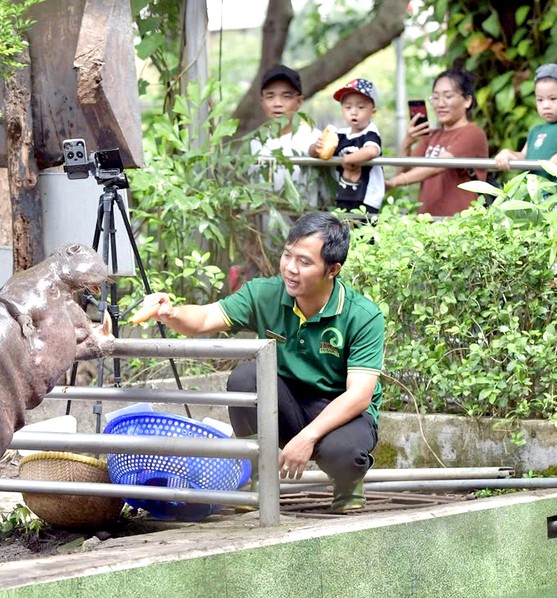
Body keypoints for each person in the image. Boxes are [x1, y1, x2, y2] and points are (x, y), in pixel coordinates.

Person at [140, 212, 385, 512]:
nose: (291, 269)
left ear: (332, 269)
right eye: (287, 255)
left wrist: (308, 436)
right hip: (284, 403)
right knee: (245, 378)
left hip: (340, 412)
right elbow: (204, 318)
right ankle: (260, 473)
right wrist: (172, 313)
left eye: (305, 262)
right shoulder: (264, 294)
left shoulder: (363, 315)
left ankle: (348, 486)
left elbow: (359, 395)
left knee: (344, 452)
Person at [385, 68, 489, 217]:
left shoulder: (473, 133)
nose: (440, 104)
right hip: (427, 224)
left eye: (448, 96)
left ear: (467, 100)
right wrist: (407, 143)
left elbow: (437, 166)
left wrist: (393, 182)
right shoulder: (432, 136)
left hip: (460, 224)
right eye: (435, 97)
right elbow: (405, 172)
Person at [494, 63, 557, 178]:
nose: (546, 105)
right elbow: (524, 155)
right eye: (540, 100)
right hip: (534, 193)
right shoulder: (536, 130)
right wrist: (508, 153)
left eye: (553, 99)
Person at [309, 78, 384, 214]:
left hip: (367, 199)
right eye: (348, 107)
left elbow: (372, 151)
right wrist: (316, 147)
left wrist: (348, 159)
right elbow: (315, 152)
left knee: (365, 232)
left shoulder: (370, 133)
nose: (353, 112)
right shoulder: (340, 135)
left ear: (373, 112)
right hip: (343, 195)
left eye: (360, 107)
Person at [250, 64, 321, 201]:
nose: (278, 103)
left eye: (286, 96)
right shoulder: (255, 142)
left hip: (306, 218)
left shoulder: (315, 139)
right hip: (265, 219)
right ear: (262, 102)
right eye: (270, 96)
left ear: (299, 101)